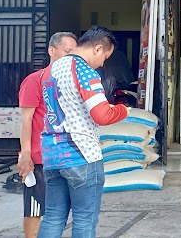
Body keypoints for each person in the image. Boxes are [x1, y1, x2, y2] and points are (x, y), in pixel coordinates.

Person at [38, 26, 129, 238]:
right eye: (106, 56)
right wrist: (124, 110)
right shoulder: (85, 72)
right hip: (82, 155)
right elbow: (102, 115)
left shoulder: (50, 70)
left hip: (52, 154)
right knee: (84, 218)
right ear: (98, 49)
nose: (103, 63)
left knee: (53, 216)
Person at [17, 32, 77, 238]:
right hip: (39, 156)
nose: (70, 58)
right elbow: (26, 120)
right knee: (35, 208)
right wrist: (25, 153)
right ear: (52, 50)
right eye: (67, 52)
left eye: (74, 54)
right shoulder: (34, 81)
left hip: (65, 155)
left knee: (58, 209)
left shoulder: (71, 83)